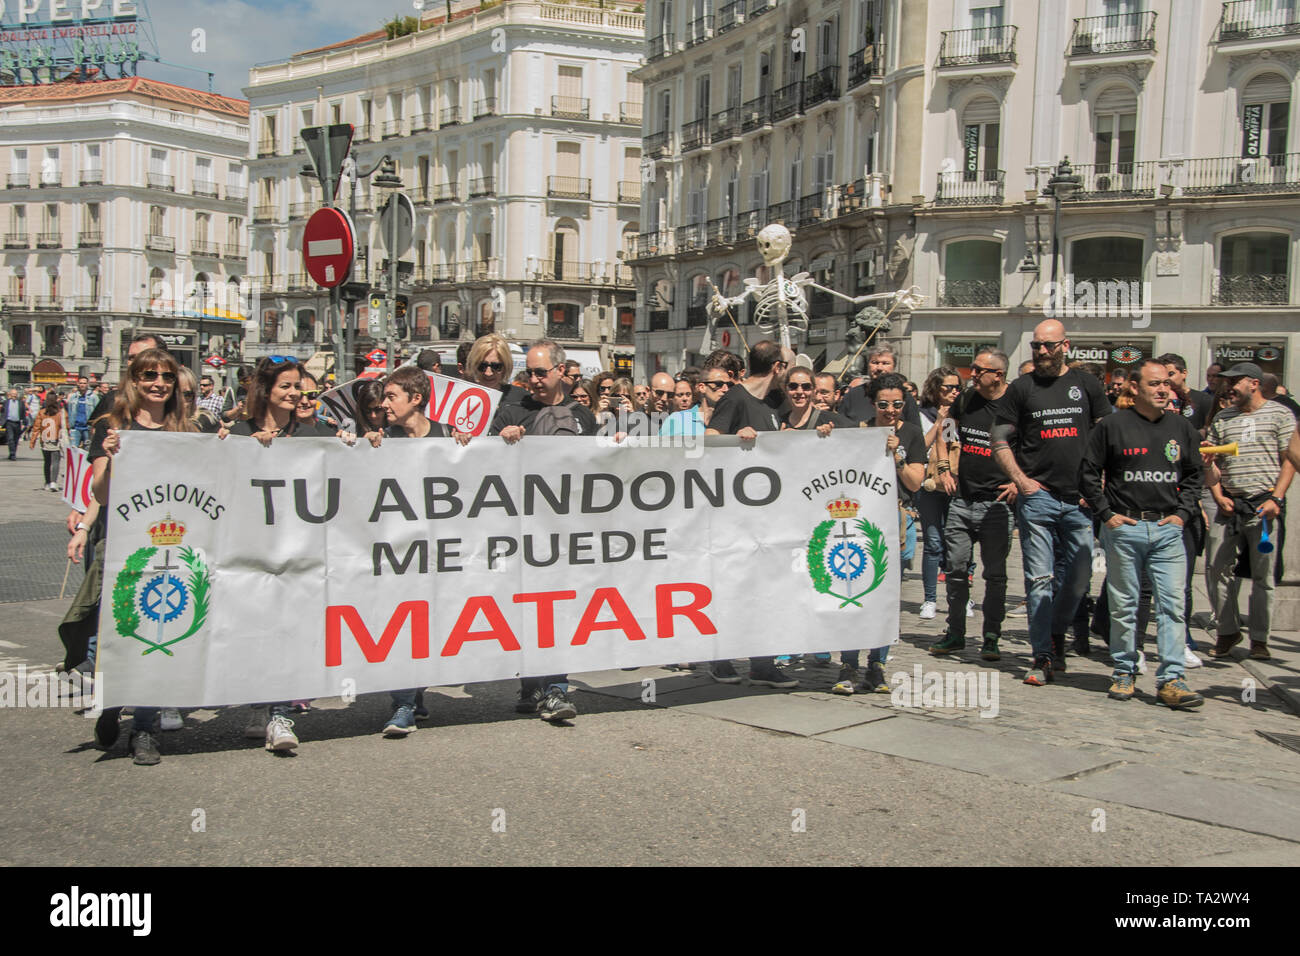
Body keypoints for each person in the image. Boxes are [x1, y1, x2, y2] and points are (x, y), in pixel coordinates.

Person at [79, 348, 198, 765]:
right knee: (121, 629)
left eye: (166, 376)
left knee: (162, 632)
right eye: (149, 375)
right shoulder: (112, 427)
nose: (158, 383)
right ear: (134, 379)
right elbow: (102, 493)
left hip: (174, 546)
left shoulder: (186, 429)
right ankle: (112, 704)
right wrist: (110, 457)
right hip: (125, 544)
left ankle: (144, 730)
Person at [482, 340, 598, 721]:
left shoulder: (583, 415)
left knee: (558, 608)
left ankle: (555, 688)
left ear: (561, 371)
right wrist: (501, 444)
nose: (532, 379)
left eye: (540, 372)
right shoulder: (511, 410)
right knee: (528, 611)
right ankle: (532, 684)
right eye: (528, 372)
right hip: (521, 534)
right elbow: (481, 467)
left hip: (565, 533)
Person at [991, 319, 1109, 685]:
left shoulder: (1086, 384)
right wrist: (1021, 480)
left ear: (1065, 346)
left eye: (1049, 345)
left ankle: (1057, 634)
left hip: (1080, 501)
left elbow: (1108, 433)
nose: (1042, 352)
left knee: (1079, 578)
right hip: (1037, 499)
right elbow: (998, 439)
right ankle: (1041, 655)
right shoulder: (1022, 388)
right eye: (1036, 346)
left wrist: (1101, 479)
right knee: (1039, 579)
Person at [1081, 359, 1204, 708]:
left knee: (1173, 605)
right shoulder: (1112, 426)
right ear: (1134, 388)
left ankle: (1172, 678)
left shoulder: (1181, 427)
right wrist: (1106, 514)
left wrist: (1183, 514)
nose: (1164, 389)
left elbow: (1194, 474)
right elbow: (1088, 473)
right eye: (1155, 384)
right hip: (1126, 529)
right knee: (1124, 605)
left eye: (1166, 383)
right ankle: (1124, 669)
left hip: (1167, 530)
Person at [704, 340, 800, 688]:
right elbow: (711, 439)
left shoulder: (773, 401)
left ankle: (762, 662)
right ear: (776, 367)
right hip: (735, 516)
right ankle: (720, 658)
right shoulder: (736, 398)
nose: (788, 372)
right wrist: (736, 439)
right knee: (733, 588)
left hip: (768, 516)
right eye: (787, 366)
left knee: (767, 590)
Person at [363, 366, 453, 735]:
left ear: (416, 400)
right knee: (402, 623)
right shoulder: (382, 441)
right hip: (399, 553)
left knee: (433, 625)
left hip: (443, 552)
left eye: (390, 396)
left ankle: (416, 695)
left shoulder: (451, 437)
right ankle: (403, 703)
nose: (383, 404)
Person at [833, 372, 926, 694]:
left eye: (898, 404)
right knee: (851, 595)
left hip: (893, 523)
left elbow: (916, 482)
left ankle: (878, 664)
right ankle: (848, 663)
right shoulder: (856, 432)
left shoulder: (912, 434)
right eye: (884, 404)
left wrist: (897, 455)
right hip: (854, 524)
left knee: (885, 598)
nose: (891, 410)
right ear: (873, 404)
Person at [1202, 361, 1296, 661]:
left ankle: (1259, 638)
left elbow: (1290, 460)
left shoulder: (1280, 414)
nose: (1229, 386)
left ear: (1254, 383)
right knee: (1217, 569)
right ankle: (1228, 630)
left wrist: (1276, 499)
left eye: (1236, 381)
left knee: (1263, 575)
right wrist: (1217, 494)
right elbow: (1212, 462)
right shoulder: (1223, 417)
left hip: (1264, 503)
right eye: (1227, 381)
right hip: (1229, 503)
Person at [928, 349, 1015, 660]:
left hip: (997, 505)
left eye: (979, 370)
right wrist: (944, 468)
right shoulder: (966, 400)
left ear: (998, 375)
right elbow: (945, 434)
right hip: (962, 502)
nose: (972, 374)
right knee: (955, 570)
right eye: (973, 369)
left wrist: (1019, 480)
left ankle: (991, 635)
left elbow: (1033, 447)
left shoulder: (1015, 404)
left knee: (995, 575)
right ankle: (955, 633)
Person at [914, 367, 962, 620]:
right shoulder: (921, 414)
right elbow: (921, 448)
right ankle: (929, 599)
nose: (953, 392)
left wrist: (949, 421)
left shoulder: (958, 415)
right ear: (935, 390)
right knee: (933, 542)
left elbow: (951, 449)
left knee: (957, 544)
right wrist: (939, 421)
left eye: (957, 388)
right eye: (948, 388)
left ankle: (959, 597)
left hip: (952, 484)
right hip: (928, 486)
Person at [838, 343, 923, 428]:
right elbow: (841, 428)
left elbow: (915, 434)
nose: (879, 368)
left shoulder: (905, 398)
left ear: (894, 366)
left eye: (885, 363)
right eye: (875, 362)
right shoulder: (852, 395)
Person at [660, 366, 731, 437]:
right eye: (718, 384)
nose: (725, 389)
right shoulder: (677, 420)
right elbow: (657, 447)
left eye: (729, 385)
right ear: (702, 387)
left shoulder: (733, 421)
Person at [781, 366, 854, 432]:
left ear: (813, 390)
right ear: (785, 389)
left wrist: (831, 436)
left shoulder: (834, 422)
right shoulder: (777, 422)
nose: (800, 391)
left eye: (806, 386)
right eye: (793, 386)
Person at [29, 392, 66, 490]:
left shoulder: (42, 412)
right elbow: (66, 426)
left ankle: (47, 482)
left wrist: (32, 441)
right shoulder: (60, 412)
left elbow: (36, 427)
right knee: (56, 461)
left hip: (44, 440)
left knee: (47, 462)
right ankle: (53, 482)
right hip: (55, 440)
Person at [66, 376, 99, 450]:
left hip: (88, 428)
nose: (82, 385)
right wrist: (69, 426)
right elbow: (70, 412)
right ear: (77, 384)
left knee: (88, 450)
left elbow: (97, 412)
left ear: (87, 384)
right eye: (80, 383)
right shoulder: (73, 397)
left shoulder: (93, 397)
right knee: (73, 450)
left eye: (84, 383)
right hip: (75, 428)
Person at [5, 387, 27, 460]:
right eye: (13, 394)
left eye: (15, 394)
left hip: (17, 423)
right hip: (9, 423)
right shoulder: (6, 402)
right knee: (10, 438)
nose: (14, 395)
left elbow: (23, 413)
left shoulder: (20, 403)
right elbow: (3, 412)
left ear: (17, 395)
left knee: (15, 439)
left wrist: (24, 422)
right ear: (10, 394)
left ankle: (12, 452)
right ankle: (12, 454)